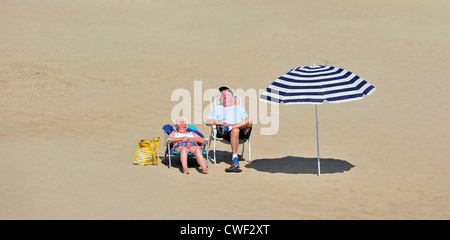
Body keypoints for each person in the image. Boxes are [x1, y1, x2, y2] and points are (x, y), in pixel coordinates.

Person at [206, 86, 253, 173]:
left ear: (232, 97)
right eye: (222, 96)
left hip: (242, 131)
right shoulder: (218, 108)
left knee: (250, 120)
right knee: (235, 130)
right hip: (226, 133)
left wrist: (233, 126)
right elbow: (208, 121)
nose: (223, 97)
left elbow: (248, 121)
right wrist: (222, 123)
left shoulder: (239, 108)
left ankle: (232, 127)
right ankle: (235, 158)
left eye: (226, 96)